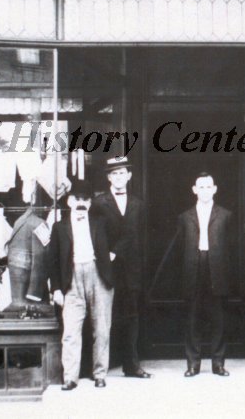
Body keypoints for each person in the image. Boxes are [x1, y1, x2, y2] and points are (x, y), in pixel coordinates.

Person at [48, 180, 115, 390]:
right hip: (72, 279)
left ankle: (100, 374)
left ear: (90, 203)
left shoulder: (101, 222)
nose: (80, 203)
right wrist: (56, 289)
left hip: (99, 275)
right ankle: (70, 377)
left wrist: (111, 255)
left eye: (85, 200)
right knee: (71, 329)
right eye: (76, 199)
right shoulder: (59, 227)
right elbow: (52, 260)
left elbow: (125, 237)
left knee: (102, 329)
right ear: (69, 201)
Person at [92, 156, 152, 379]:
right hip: (107, 268)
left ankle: (132, 365)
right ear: (109, 177)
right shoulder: (98, 203)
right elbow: (95, 235)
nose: (119, 177)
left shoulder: (139, 204)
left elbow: (140, 237)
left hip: (132, 270)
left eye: (122, 173)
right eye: (114, 173)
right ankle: (102, 365)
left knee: (132, 316)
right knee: (104, 316)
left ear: (129, 176)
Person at [179, 172, 233, 378]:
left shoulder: (226, 215)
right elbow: (180, 248)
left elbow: (231, 247)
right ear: (194, 190)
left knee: (218, 318)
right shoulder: (185, 217)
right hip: (193, 268)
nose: (204, 190)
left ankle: (218, 363)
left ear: (215, 189)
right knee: (192, 317)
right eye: (200, 187)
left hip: (217, 270)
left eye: (208, 186)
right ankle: (193, 364)